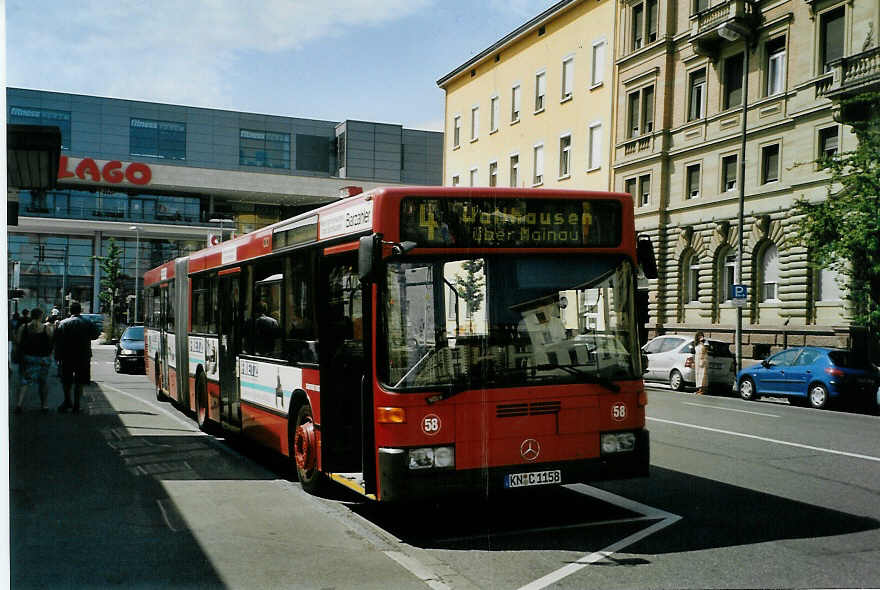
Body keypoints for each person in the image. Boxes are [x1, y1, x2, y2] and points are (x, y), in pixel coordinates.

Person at [55, 301, 93, 414]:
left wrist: (57, 356)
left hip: (66, 356)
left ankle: (67, 401)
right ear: (80, 310)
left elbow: (57, 340)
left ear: (69, 311)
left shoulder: (63, 323)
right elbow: (95, 334)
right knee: (79, 381)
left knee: (66, 380)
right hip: (83, 356)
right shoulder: (87, 322)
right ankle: (77, 405)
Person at [14, 308, 54, 413]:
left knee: (25, 381)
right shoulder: (46, 328)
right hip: (43, 359)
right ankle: (44, 405)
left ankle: (19, 404)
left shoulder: (24, 327)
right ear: (41, 316)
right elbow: (51, 342)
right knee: (43, 382)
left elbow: (18, 341)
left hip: (28, 357)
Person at [694, 331, 709, 395]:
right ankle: (699, 389)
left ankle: (703, 390)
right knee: (698, 375)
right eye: (698, 336)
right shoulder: (696, 343)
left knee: (703, 375)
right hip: (697, 359)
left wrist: (702, 342)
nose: (700, 337)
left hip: (703, 359)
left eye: (701, 335)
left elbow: (706, 349)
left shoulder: (705, 342)